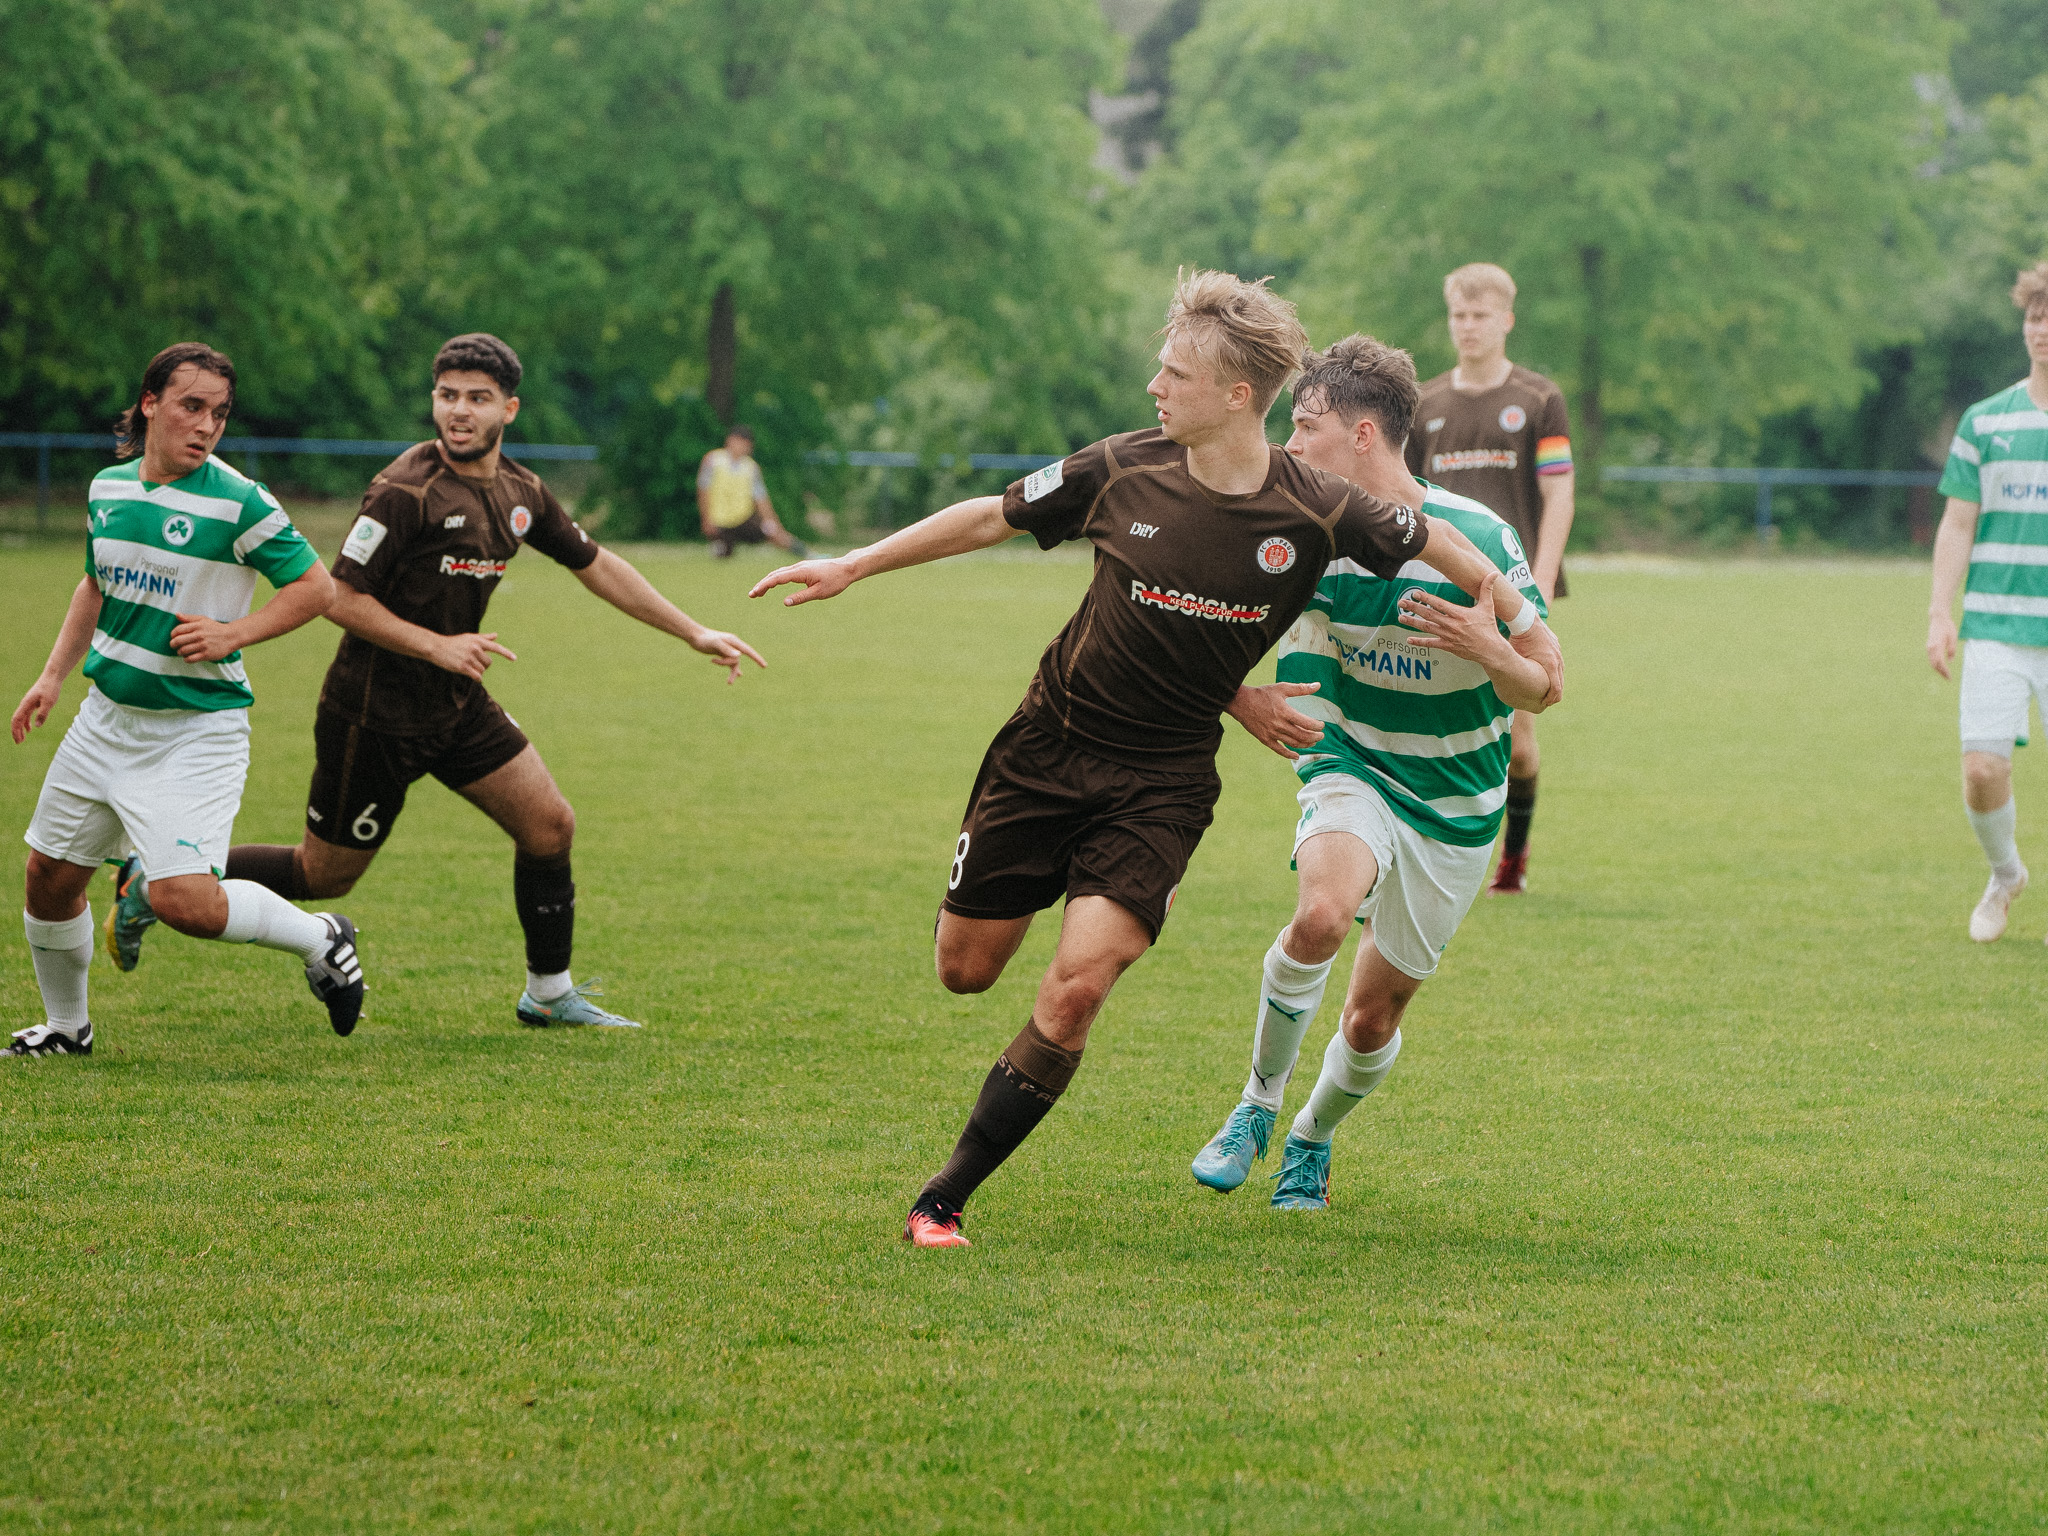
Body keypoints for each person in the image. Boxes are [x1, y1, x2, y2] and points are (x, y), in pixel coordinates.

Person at [750, 271, 1561, 1248]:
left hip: (1167, 781)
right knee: (965, 971)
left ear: (1233, 396)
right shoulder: (1120, 468)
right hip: (1047, 748)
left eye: (1171, 372)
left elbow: (1449, 549)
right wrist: (852, 564)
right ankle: (1111, 910)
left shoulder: (1314, 512)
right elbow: (986, 516)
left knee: (1085, 985)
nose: (1152, 387)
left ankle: (945, 1199)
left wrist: (1514, 629)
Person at [144, 333, 766, 1027]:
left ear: (510, 409)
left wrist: (693, 631)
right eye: (447, 396)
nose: (459, 412)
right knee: (325, 874)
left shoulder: (520, 492)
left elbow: (596, 563)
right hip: (372, 714)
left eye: (477, 398)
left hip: (456, 704)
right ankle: (160, 881)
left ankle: (549, 992)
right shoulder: (403, 491)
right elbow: (339, 597)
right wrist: (436, 646)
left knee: (549, 824)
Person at [1191, 334, 1558, 1208]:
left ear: (1362, 435)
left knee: (1370, 1017)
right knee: (1319, 916)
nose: (1291, 445)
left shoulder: (1476, 537)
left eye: (1306, 426)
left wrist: (1485, 648)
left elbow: (1546, 686)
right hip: (1352, 761)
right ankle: (1256, 1105)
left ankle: (1311, 1138)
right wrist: (1245, 698)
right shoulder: (1306, 538)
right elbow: (1208, 634)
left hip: (1459, 804)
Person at [9, 342, 364, 1058]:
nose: (205, 426)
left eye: (219, 414)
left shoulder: (238, 500)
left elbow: (317, 589)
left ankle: (323, 938)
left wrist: (234, 630)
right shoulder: (107, 488)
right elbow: (93, 585)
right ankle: (66, 1029)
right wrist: (52, 675)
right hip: (104, 721)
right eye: (191, 406)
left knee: (183, 903)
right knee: (49, 877)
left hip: (194, 732)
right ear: (150, 405)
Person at [1405, 262, 1575, 895]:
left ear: (1506, 320)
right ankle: (1422, 849)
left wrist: (1542, 582)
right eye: (1459, 316)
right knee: (1429, 715)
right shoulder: (1423, 403)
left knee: (1520, 743)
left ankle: (1512, 860)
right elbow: (1408, 497)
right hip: (1437, 583)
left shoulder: (1538, 400)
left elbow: (1558, 496)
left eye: (1480, 316)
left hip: (1511, 590)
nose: (1468, 327)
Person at [1928, 261, 2048, 943]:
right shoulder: (1985, 420)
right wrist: (1940, 613)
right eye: (2035, 316)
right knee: (1981, 769)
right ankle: (2006, 875)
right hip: (1998, 624)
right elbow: (1957, 523)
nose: (2043, 329)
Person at [698, 426, 807, 558]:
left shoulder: (751, 467)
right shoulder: (713, 460)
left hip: (743, 518)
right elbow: (703, 490)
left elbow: (760, 498)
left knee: (773, 533)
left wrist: (771, 521)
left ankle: (806, 553)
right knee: (722, 554)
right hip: (719, 521)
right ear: (730, 440)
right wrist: (706, 518)